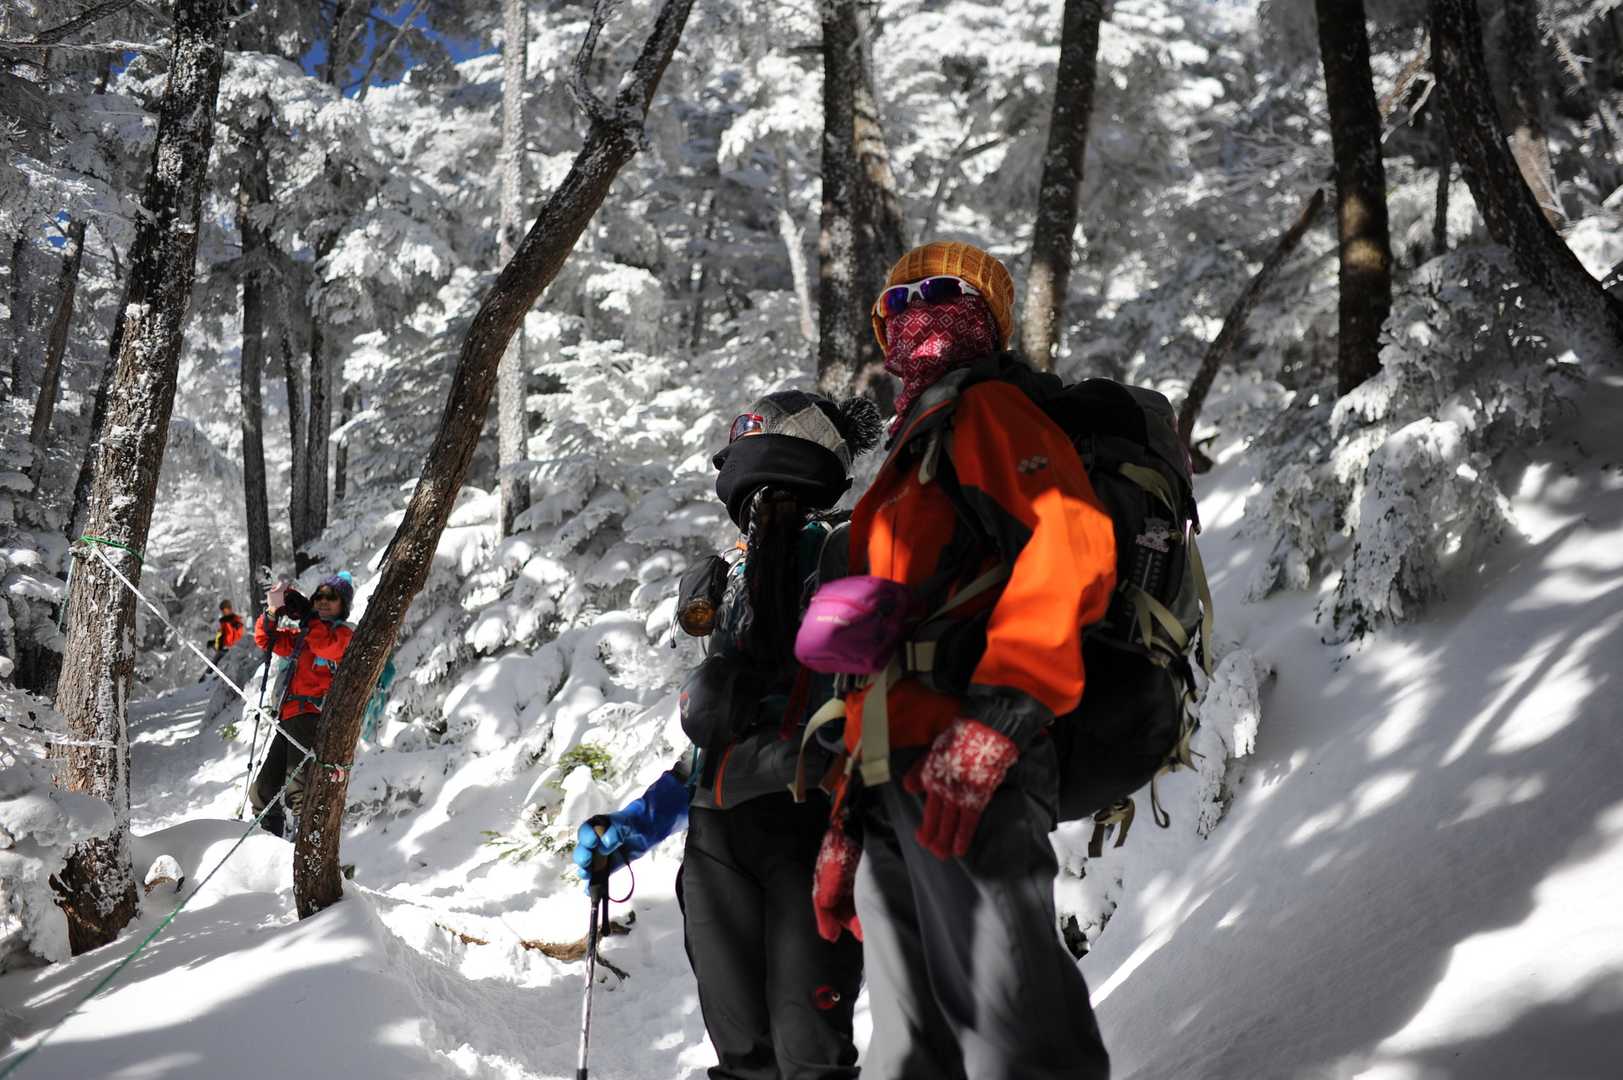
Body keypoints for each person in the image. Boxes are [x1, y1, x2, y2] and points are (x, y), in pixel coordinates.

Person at [809, 241, 1117, 1079]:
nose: (920, 311)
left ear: (990, 317)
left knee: (1013, 1032)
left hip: (971, 757)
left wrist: (1001, 714)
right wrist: (848, 820)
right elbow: (872, 660)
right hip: (894, 776)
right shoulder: (910, 450)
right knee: (911, 1052)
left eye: (945, 292)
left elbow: (1069, 543)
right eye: (898, 302)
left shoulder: (988, 411)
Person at [573, 390, 881, 1080]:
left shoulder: (850, 549)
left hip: (813, 819)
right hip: (720, 833)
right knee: (745, 1053)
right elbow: (714, 743)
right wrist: (635, 825)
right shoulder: (739, 572)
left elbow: (873, 695)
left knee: (807, 1053)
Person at [249, 571, 355, 838]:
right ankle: (266, 842)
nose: (323, 601)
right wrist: (273, 610)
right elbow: (266, 640)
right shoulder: (306, 635)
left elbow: (325, 648)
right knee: (262, 791)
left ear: (343, 605)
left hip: (312, 717)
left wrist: (309, 617)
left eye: (332, 597)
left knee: (299, 789)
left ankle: (303, 844)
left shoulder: (343, 634)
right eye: (319, 596)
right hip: (288, 718)